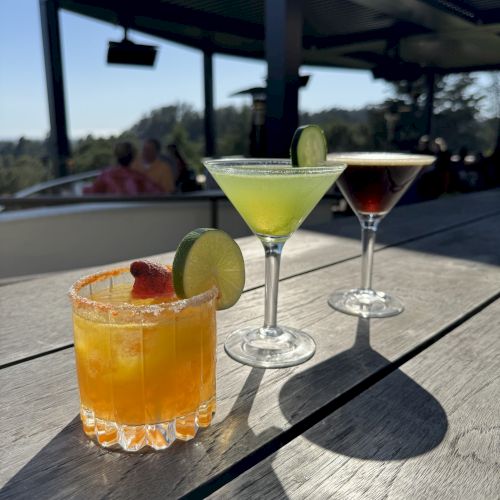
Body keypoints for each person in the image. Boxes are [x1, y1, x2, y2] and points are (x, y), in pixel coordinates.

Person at [84, 142, 162, 195]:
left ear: (116, 156)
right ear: (132, 157)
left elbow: (92, 192)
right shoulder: (140, 178)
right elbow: (160, 193)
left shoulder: (106, 176)